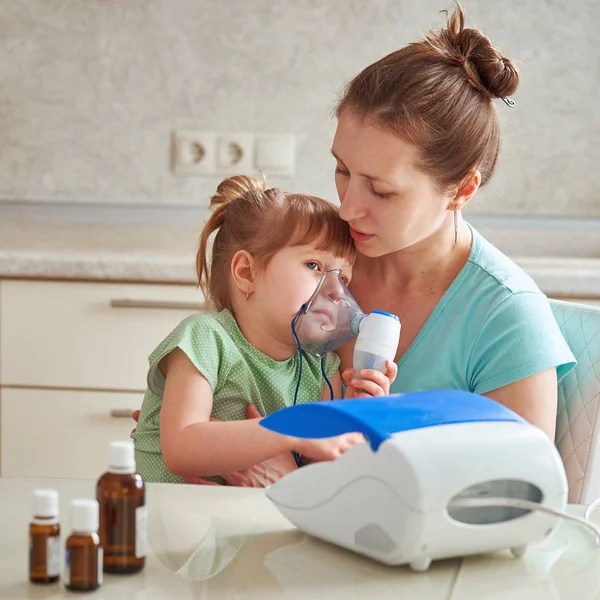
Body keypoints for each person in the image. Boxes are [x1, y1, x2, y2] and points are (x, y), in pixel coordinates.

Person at [134, 3, 575, 487]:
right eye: (342, 170)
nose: (347, 209)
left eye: (381, 190)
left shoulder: (507, 319)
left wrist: (291, 474)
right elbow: (219, 393)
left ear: (461, 190)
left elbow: (519, 500)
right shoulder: (317, 258)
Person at [131, 175, 396, 484]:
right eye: (314, 265)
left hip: (246, 524)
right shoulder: (206, 338)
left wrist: (352, 418)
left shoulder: (321, 368)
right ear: (246, 272)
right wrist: (290, 431)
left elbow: (319, 469)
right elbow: (181, 448)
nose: (337, 291)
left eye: (344, 278)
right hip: (172, 522)